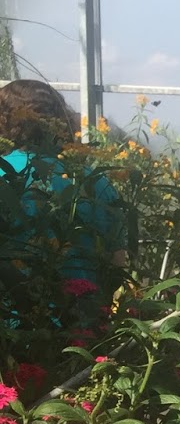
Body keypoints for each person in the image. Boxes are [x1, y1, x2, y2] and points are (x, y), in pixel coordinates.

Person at [0, 79, 128, 285]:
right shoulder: (97, 183)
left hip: (12, 315)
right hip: (80, 312)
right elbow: (116, 268)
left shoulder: (3, 173)